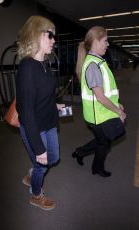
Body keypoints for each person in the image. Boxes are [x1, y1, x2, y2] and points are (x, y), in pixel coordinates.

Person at [16, 15, 65, 210]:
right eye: (50, 35)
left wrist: (54, 105)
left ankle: (31, 174)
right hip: (34, 127)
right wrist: (38, 147)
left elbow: (42, 95)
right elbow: (27, 112)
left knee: (53, 158)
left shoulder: (44, 64)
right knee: (42, 164)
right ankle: (36, 194)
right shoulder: (28, 67)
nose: (54, 40)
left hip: (49, 122)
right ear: (36, 34)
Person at [72, 26, 126, 177]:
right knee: (104, 142)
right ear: (95, 42)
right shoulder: (93, 66)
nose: (107, 44)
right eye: (105, 41)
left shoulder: (96, 62)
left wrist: (117, 104)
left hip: (101, 113)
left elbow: (108, 91)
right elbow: (100, 97)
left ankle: (80, 153)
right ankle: (96, 167)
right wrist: (118, 111)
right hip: (98, 115)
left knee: (103, 141)